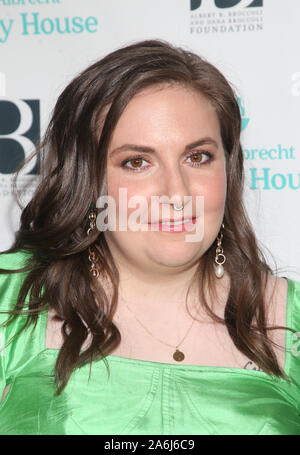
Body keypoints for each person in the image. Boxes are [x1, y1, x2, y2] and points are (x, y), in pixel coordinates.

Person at [0, 39, 299, 435]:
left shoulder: (290, 321)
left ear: (228, 169)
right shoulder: (9, 303)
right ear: (87, 181)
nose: (176, 193)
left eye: (198, 157)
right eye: (137, 162)